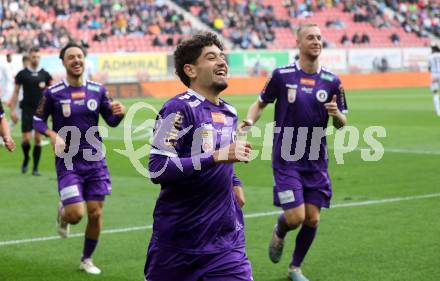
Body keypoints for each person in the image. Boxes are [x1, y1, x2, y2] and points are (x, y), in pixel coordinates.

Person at [239, 23, 348, 281]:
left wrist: (336, 116)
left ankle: (294, 268)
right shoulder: (282, 75)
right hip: (287, 155)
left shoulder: (333, 81)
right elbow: (261, 102)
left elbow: (343, 123)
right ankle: (280, 228)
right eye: (310, 37)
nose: (316, 41)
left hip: (316, 157)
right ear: (298, 43)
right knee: (295, 217)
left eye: (319, 37)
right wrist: (250, 121)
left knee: (312, 219)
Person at [145, 32, 254, 281]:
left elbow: (225, 157)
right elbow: (158, 168)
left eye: (222, 57)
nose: (222, 62)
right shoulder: (176, 108)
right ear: (191, 70)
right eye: (211, 57)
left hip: (226, 240)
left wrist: (234, 183)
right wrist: (215, 157)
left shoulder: (229, 111)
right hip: (178, 242)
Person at [33, 42, 125, 274]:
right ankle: (63, 213)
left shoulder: (98, 90)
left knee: (95, 213)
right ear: (63, 62)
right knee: (75, 215)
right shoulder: (53, 93)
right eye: (71, 57)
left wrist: (119, 114)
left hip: (95, 160)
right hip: (68, 161)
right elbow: (37, 120)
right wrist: (52, 134)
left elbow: (111, 120)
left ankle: (86, 259)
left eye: (80, 56)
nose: (76, 60)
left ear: (85, 60)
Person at [9, 47, 53, 176]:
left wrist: (53, 112)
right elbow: (16, 92)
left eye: (38, 57)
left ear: (40, 58)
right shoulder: (22, 74)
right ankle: (26, 158)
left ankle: (35, 168)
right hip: (27, 110)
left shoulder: (45, 74)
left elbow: (51, 95)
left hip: (41, 112)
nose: (35, 59)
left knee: (38, 140)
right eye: (33, 57)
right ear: (29, 58)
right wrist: (12, 110)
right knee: (26, 140)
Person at [428, 42, 440, 116]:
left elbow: (429, 68)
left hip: (434, 76)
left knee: (435, 93)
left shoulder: (430, 57)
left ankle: (438, 111)